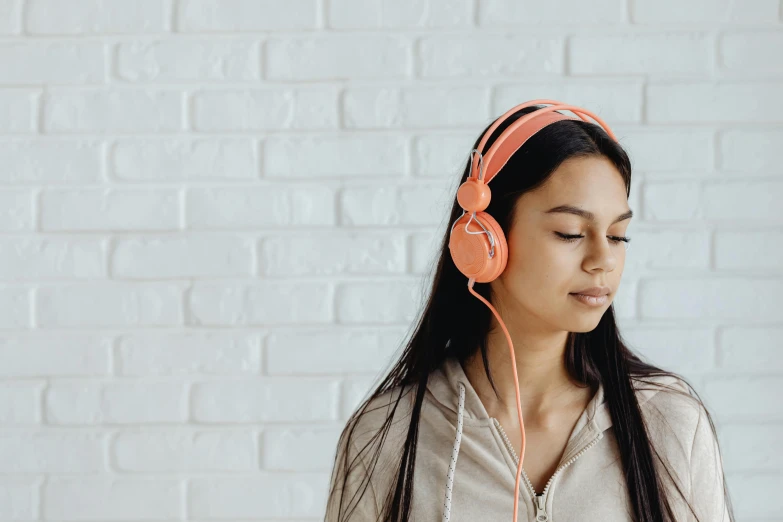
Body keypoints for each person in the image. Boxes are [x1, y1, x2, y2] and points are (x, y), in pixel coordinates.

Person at [324, 102, 735, 522]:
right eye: (570, 233)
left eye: (617, 236)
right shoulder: (386, 437)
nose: (603, 260)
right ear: (483, 242)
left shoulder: (669, 422)